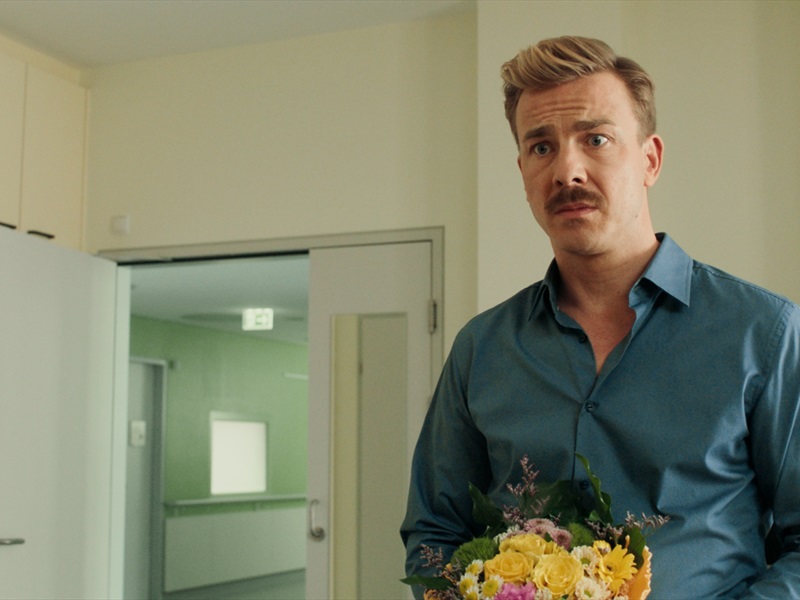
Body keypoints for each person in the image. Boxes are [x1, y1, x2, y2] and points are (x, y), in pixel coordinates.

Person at [401, 36, 800, 598]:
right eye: (541, 147)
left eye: (596, 139)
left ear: (650, 159)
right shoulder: (481, 348)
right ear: (522, 171)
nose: (567, 171)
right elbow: (435, 533)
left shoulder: (764, 332)